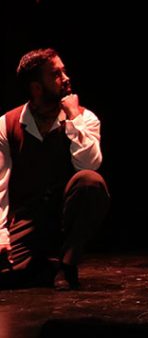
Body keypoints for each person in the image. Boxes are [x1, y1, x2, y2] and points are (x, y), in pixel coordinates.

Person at [0, 48, 109, 290]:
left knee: (90, 182)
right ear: (36, 87)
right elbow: (0, 186)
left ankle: (67, 263)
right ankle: (48, 267)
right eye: (56, 74)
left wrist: (73, 117)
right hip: (28, 221)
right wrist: (1, 234)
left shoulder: (85, 118)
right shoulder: (7, 124)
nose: (66, 78)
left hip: (66, 217)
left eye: (64, 71)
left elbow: (90, 164)